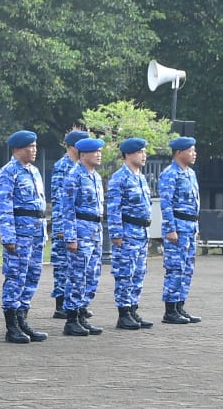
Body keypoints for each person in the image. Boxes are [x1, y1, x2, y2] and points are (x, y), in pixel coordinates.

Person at [0, 130, 49, 344]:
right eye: (30, 147)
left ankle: (22, 318)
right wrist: (8, 236)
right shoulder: (9, 172)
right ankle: (12, 325)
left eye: (35, 146)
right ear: (18, 149)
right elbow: (5, 206)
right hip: (20, 232)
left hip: (36, 232)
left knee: (32, 276)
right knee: (16, 277)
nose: (34, 150)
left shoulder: (34, 171)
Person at [107, 137, 155, 331]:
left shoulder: (140, 177)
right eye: (140, 152)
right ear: (128, 154)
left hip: (141, 232)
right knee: (125, 273)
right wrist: (116, 234)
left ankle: (133, 308)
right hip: (127, 231)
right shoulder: (120, 178)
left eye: (144, 152)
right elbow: (114, 209)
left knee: (138, 273)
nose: (144, 156)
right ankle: (124, 313)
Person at [61, 137, 107, 337]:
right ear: (84, 154)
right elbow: (67, 209)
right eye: (95, 152)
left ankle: (82, 315)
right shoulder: (74, 176)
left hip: (95, 231)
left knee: (92, 275)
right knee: (77, 276)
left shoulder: (95, 176)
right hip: (80, 231)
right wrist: (71, 237)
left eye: (100, 151)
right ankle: (71, 319)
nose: (99, 155)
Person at [159, 136, 202, 324]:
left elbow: (195, 203)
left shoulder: (190, 173)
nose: (194, 154)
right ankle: (170, 310)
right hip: (177, 226)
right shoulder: (170, 174)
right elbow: (166, 204)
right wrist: (170, 228)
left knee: (187, 269)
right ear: (179, 153)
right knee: (175, 268)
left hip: (190, 227)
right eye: (190, 150)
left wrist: (196, 227)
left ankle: (180, 306)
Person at [50, 129, 90, 319]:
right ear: (74, 147)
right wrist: (60, 228)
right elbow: (59, 200)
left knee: (76, 268)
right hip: (64, 226)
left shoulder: (81, 167)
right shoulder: (63, 166)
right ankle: (61, 305)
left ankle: (76, 303)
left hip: (77, 225)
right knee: (62, 265)